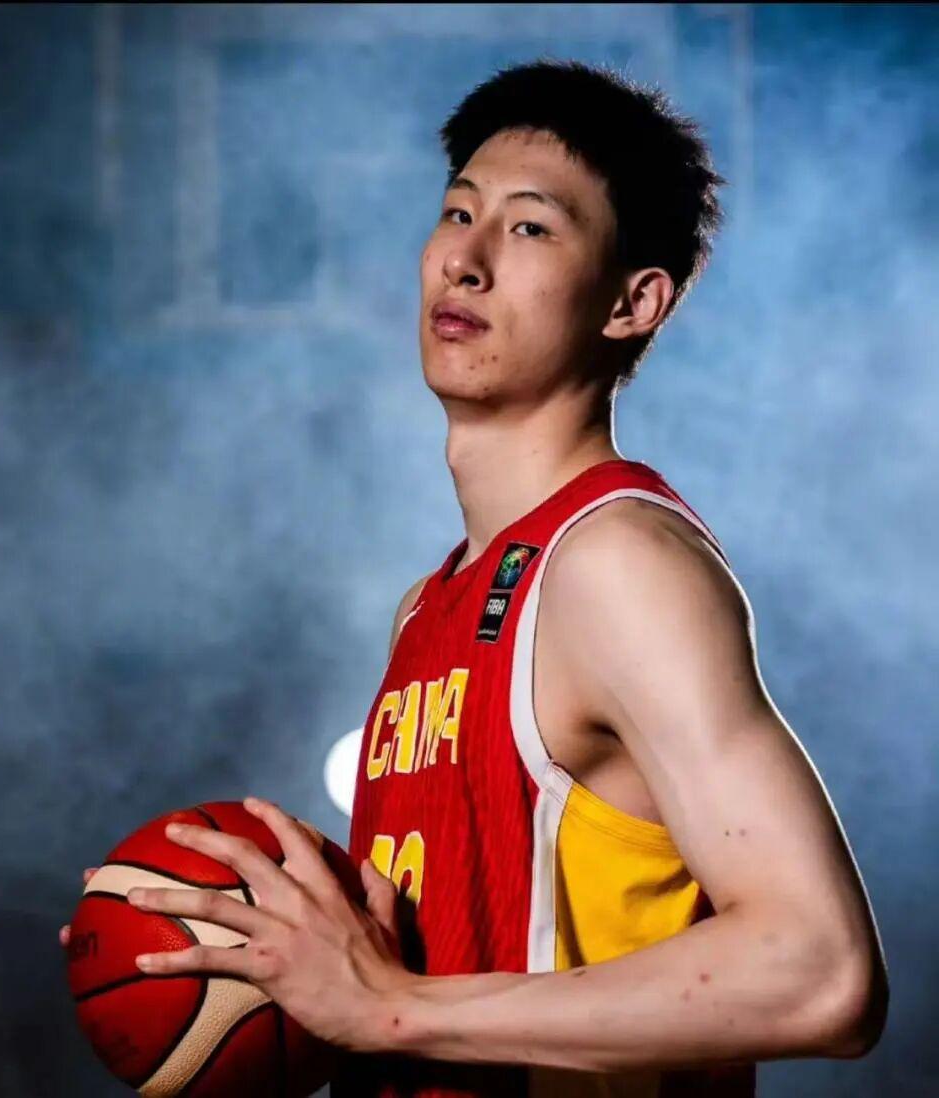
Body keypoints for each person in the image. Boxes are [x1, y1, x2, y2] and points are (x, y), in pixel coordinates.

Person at [61, 59, 888, 1097]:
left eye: (531, 227)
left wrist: (389, 1006)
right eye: (459, 212)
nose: (468, 258)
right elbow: (418, 985)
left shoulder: (616, 564)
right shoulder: (430, 606)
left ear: (632, 302)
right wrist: (227, 940)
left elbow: (820, 972)